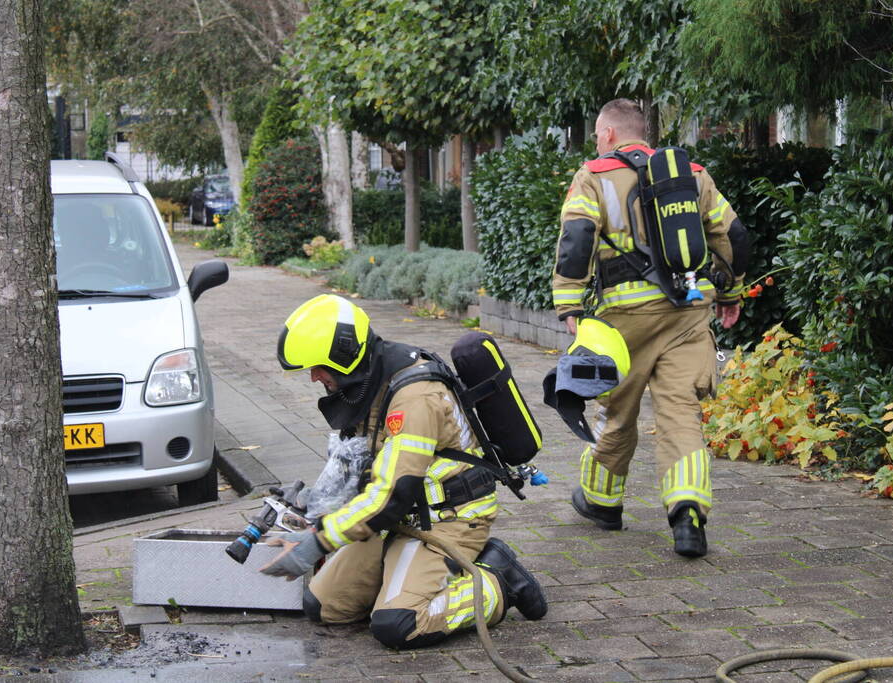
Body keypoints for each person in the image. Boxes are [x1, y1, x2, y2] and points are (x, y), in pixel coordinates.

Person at [259, 294, 547, 648]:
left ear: (345, 355)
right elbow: (355, 471)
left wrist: (319, 541)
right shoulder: (369, 382)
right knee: (324, 606)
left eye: (318, 367)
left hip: (449, 519)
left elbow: (391, 494)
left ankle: (498, 581)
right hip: (398, 520)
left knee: (398, 624)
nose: (313, 377)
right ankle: (403, 581)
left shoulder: (415, 397)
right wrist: (310, 514)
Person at [551, 98, 750, 558]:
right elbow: (733, 236)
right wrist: (731, 294)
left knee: (618, 411)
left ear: (608, 134)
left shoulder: (593, 175)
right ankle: (688, 514)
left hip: (624, 320)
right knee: (681, 413)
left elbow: (577, 238)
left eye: (598, 133)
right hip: (687, 314)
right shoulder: (692, 174)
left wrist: (569, 304)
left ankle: (602, 502)